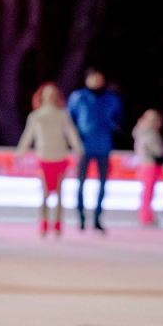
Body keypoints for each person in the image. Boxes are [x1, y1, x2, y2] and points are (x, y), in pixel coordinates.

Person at [15, 82, 83, 236]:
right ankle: (44, 221)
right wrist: (21, 151)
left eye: (53, 94)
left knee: (59, 192)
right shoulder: (36, 116)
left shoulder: (62, 115)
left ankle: (58, 222)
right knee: (44, 192)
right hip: (44, 156)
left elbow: (71, 133)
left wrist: (78, 148)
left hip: (59, 156)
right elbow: (28, 135)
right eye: (48, 94)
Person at [67, 67, 124, 232]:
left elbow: (119, 119)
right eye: (93, 78)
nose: (97, 82)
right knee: (81, 183)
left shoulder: (111, 98)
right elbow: (70, 120)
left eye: (99, 78)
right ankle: (81, 217)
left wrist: (114, 127)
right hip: (83, 148)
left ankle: (98, 217)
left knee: (103, 184)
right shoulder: (78, 97)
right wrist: (75, 140)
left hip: (104, 146)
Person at [132, 110, 163, 226]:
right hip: (149, 164)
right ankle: (146, 217)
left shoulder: (140, 131)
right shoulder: (150, 133)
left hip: (142, 163)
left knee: (146, 192)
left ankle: (145, 215)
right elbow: (157, 151)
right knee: (148, 192)